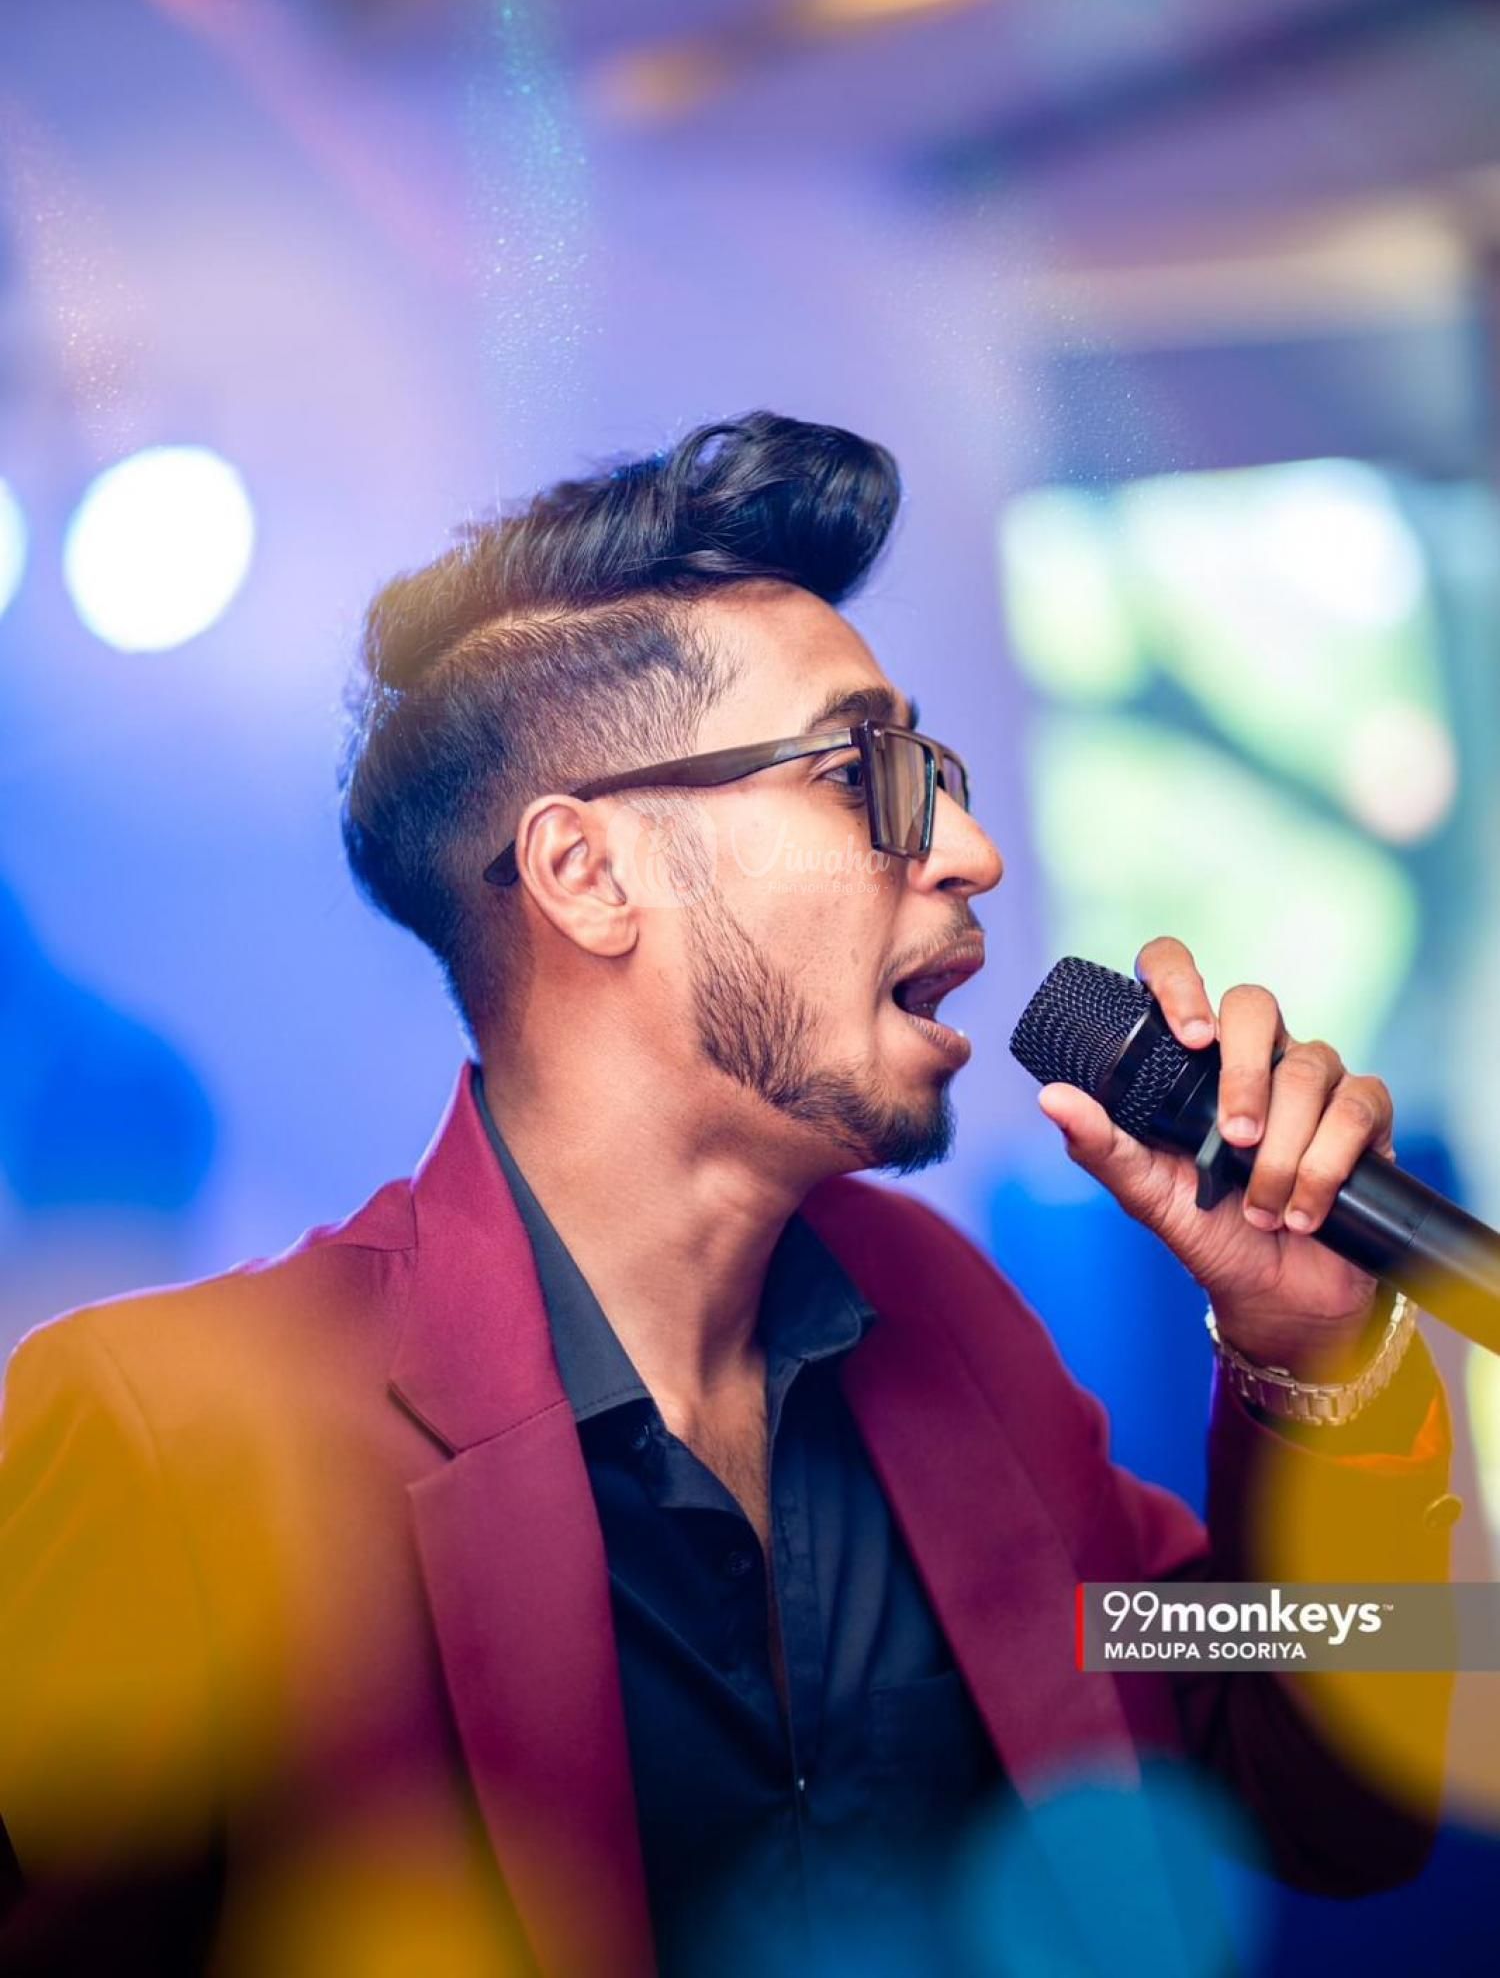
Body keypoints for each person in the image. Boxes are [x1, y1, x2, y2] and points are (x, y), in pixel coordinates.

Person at [0, 414, 1457, 1977]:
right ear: (584, 874)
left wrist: (1314, 1357)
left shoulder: (949, 1328)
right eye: (866, 773)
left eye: (943, 778)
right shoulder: (172, 1438)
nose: (970, 852)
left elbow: (1320, 1789)